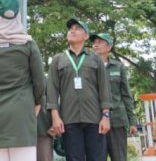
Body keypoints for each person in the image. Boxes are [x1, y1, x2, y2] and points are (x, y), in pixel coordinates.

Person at [0, 0, 45, 161]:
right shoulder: (28, 44)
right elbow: (39, 81)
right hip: (22, 113)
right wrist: (37, 102)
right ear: (17, 15)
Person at [47, 18, 112, 161]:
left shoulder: (95, 59)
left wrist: (105, 117)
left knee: (97, 158)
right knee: (74, 158)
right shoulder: (58, 59)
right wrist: (55, 117)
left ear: (86, 36)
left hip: (94, 119)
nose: (72, 30)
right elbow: (52, 90)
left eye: (77, 28)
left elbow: (104, 88)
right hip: (69, 120)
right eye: (70, 29)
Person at [90, 33, 138, 161]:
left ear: (109, 47)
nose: (96, 44)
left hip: (117, 120)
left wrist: (132, 121)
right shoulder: (87, 67)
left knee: (119, 157)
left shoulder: (118, 66)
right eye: (94, 41)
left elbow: (126, 95)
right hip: (95, 121)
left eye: (100, 41)